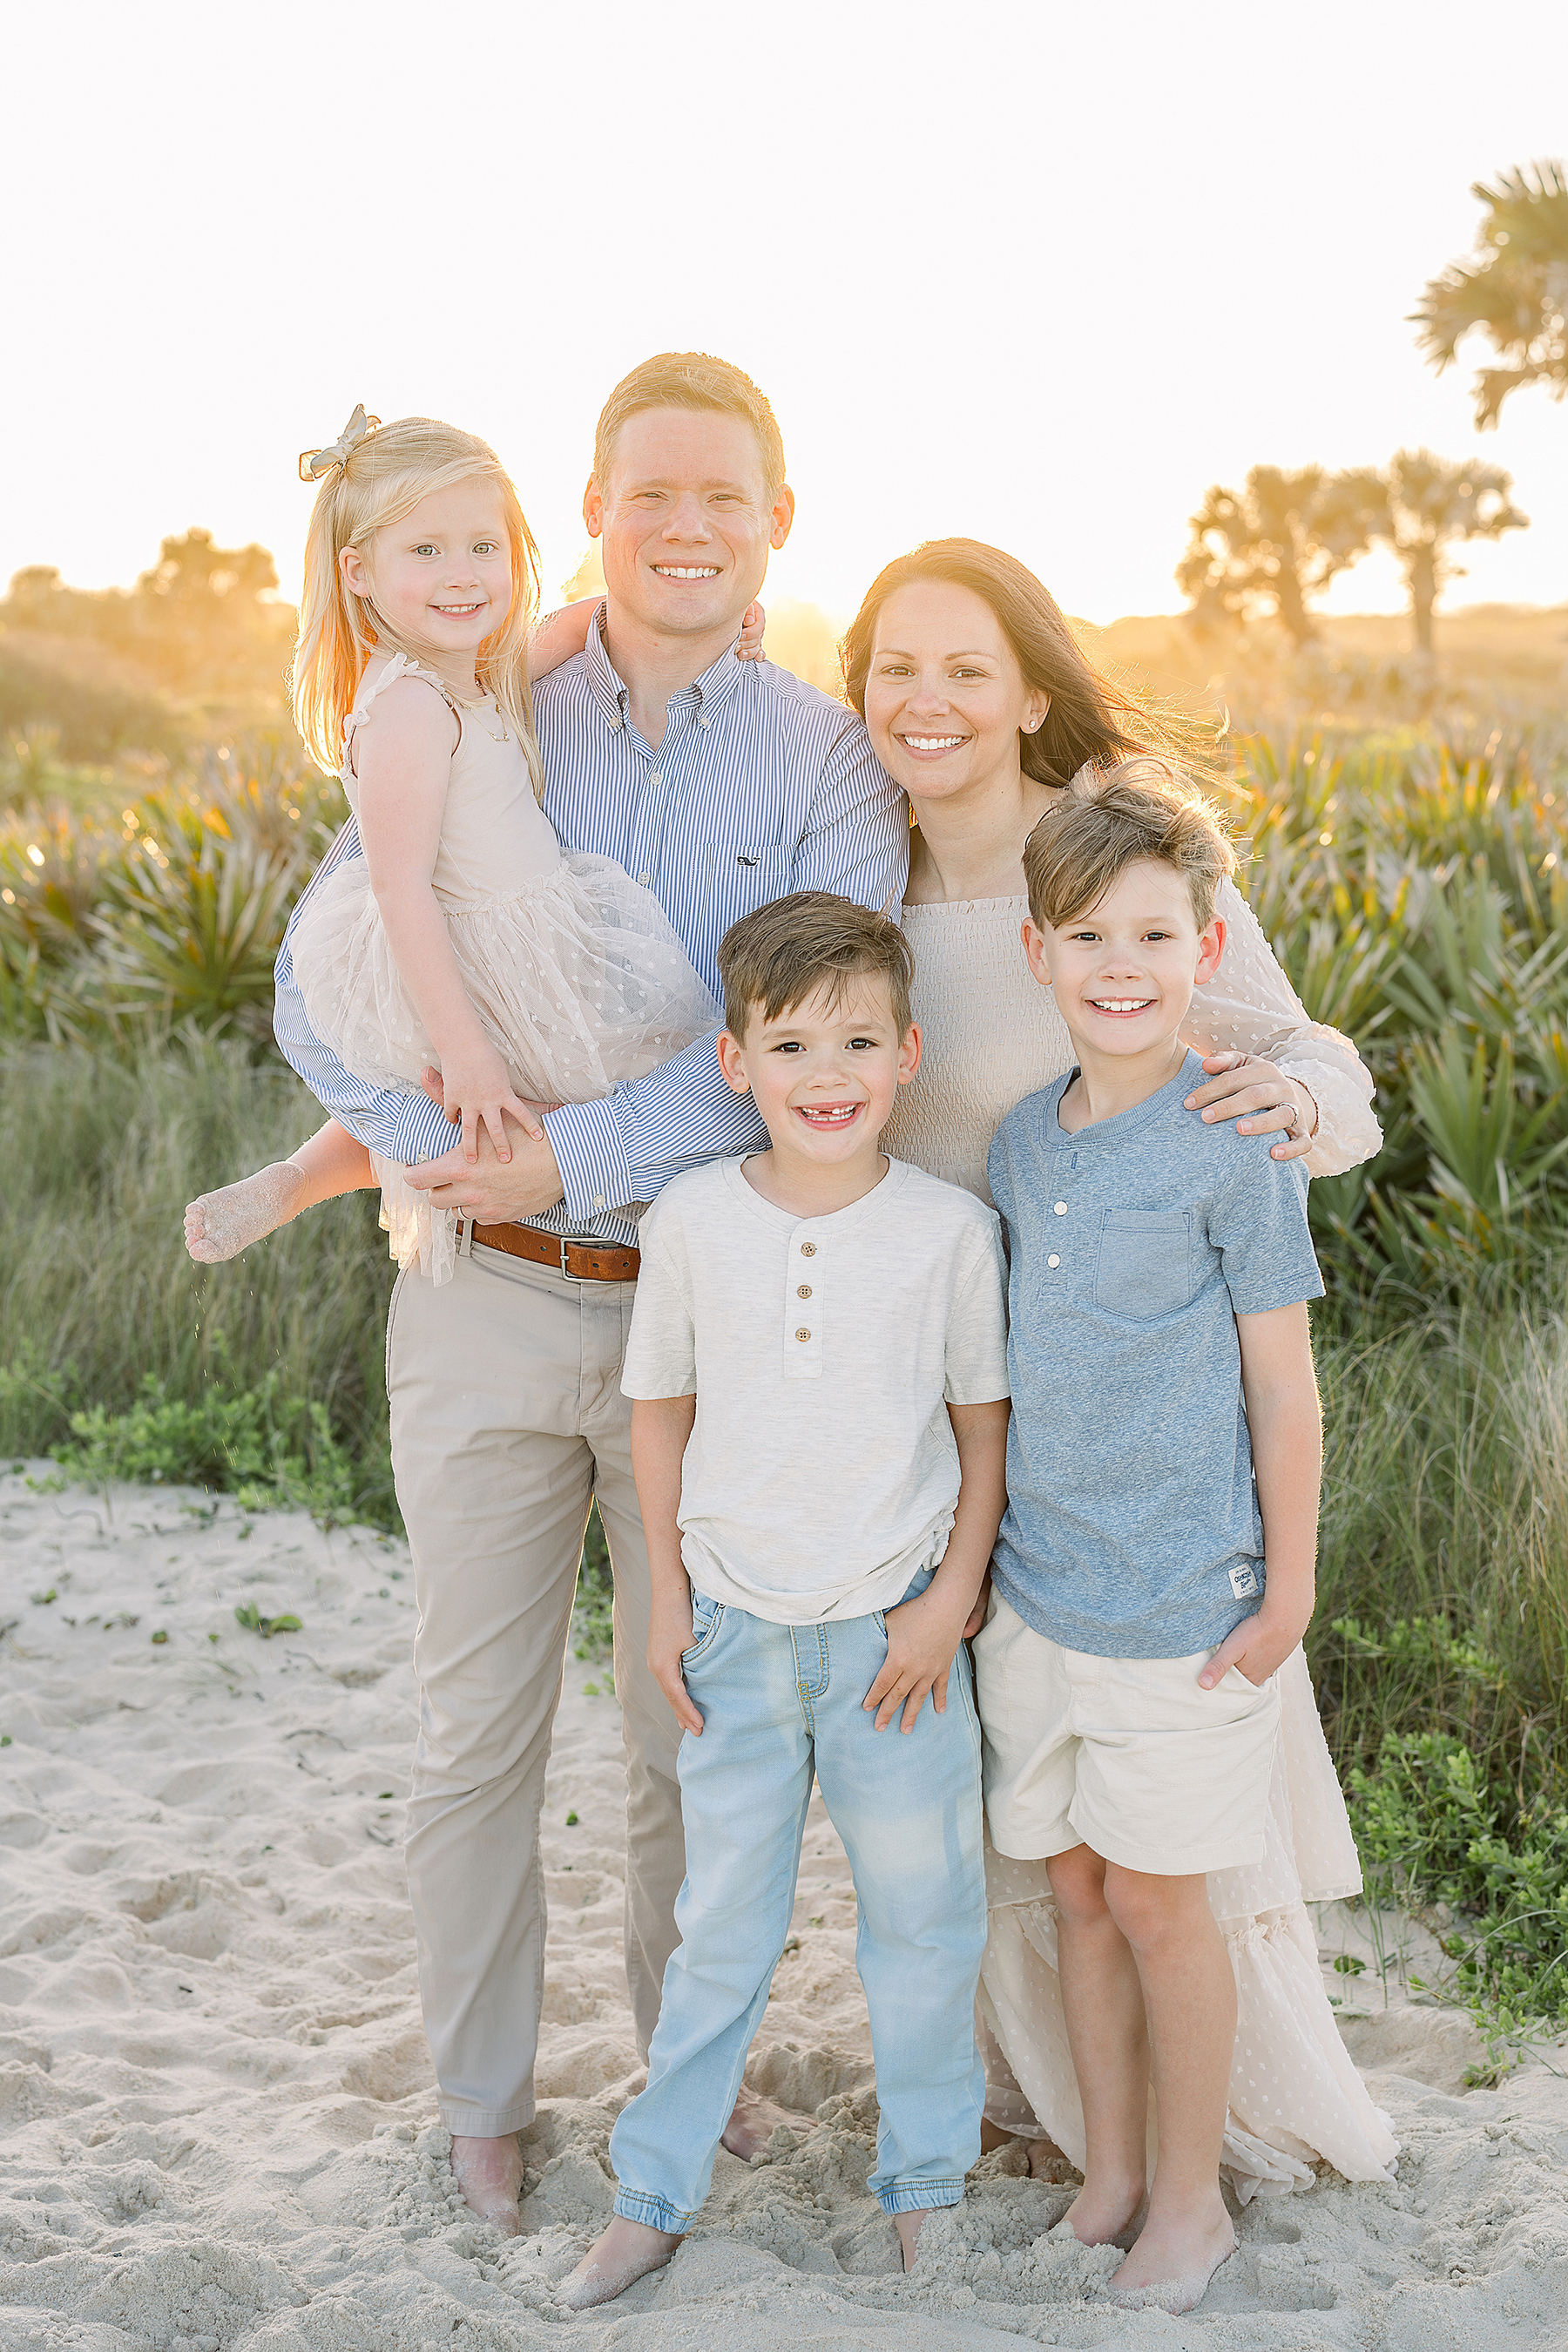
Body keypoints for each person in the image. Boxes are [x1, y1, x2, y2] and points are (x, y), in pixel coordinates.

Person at [260, 357, 909, 2231]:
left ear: (778, 520)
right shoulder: (486, 697)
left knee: (682, 1727)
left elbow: (809, 1044)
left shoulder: (824, 764)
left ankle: (683, 2071)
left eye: (725, 496)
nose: (686, 528)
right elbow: (337, 968)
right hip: (473, 1290)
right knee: (477, 1729)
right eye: (651, 496)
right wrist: (435, 1147)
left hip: (700, 1316)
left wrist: (570, 1152)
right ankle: (480, 2098)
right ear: (597, 512)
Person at [836, 538, 1395, 2207]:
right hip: (933, 1407)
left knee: (1145, 1839)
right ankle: (1040, 2101)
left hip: (1125, 1417)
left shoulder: (1106, 865)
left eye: (962, 668)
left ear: (1025, 688)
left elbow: (1307, 1061)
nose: (926, 703)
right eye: (892, 670)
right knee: (1003, 1800)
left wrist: (1294, 1110)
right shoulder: (849, 866)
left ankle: (1175, 2141)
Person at [558, 892, 1011, 2310]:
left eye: (860, 1041)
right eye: (795, 1043)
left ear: (910, 1054)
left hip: (897, 1642)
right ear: (734, 1064)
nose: (830, 1074)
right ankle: (653, 2193)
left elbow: (983, 1433)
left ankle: (927, 2187)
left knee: (926, 1928)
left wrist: (948, 1602)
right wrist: (665, 1603)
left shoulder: (948, 1232)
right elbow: (657, 1420)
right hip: (740, 1637)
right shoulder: (692, 1220)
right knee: (723, 1933)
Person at [979, 761, 1382, 2315]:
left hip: (1183, 1606)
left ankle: (1195, 2203)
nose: (1122, 968)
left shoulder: (1234, 1141)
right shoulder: (1024, 1145)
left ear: (1208, 954)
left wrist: (1288, 1593)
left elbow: (1287, 1392)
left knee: (1162, 1903)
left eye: (1154, 937)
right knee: (1076, 1891)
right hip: (1040, 1598)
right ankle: (1115, 2175)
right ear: (1039, 956)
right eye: (1089, 938)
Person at [186, 409, 720, 1284]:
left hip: (520, 932)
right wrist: (468, 1049)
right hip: (469, 949)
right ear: (357, 572)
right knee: (514, 1105)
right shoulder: (406, 707)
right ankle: (299, 1187)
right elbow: (400, 890)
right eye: (425, 551)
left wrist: (702, 618)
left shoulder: (465, 675)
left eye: (484, 546)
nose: (463, 575)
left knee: (524, 1111)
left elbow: (570, 632)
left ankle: (299, 1181)